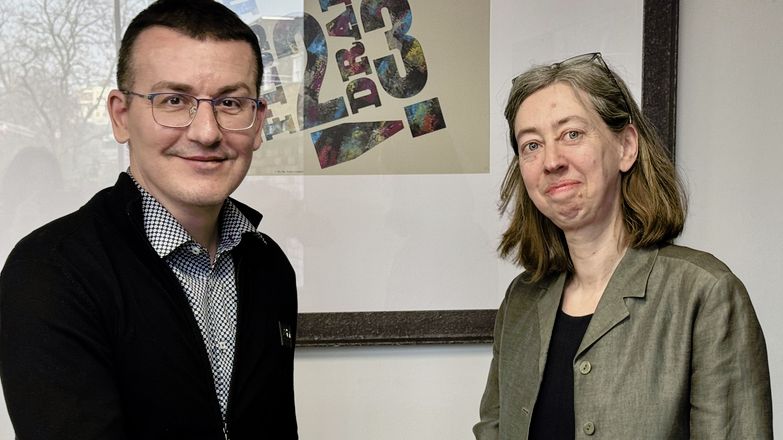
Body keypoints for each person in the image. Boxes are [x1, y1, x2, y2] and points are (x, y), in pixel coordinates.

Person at [0, 1, 298, 438]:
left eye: (230, 103)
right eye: (174, 100)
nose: (206, 132)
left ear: (257, 124)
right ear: (122, 116)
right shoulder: (50, 272)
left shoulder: (269, 266)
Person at [473, 53, 772, 439]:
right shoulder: (520, 300)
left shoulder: (704, 293)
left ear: (626, 147)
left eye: (572, 134)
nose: (551, 161)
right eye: (531, 145)